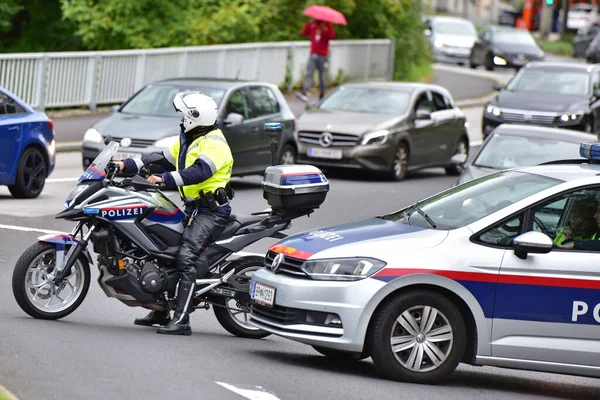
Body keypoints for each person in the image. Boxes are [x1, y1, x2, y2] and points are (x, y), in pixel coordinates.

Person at [116, 91, 234, 336]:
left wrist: (163, 179)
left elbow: (198, 172)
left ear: (195, 117)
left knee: (186, 257)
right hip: (193, 208)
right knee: (159, 250)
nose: (180, 120)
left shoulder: (215, 143)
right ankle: (161, 309)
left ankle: (182, 320)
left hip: (211, 212)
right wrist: (125, 165)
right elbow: (160, 160)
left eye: (183, 116)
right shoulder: (188, 138)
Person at [296, 18, 335, 102]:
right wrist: (309, 24)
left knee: (322, 74)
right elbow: (303, 33)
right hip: (313, 53)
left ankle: (322, 93)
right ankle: (305, 91)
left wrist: (324, 30)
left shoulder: (327, 26)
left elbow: (331, 36)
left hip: (323, 55)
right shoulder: (313, 26)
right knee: (309, 72)